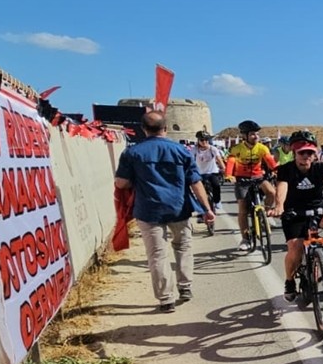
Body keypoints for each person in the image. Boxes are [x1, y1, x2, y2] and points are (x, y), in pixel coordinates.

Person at [114, 111, 214, 313]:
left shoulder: (132, 153)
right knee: (183, 247)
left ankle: (166, 299)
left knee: (157, 255)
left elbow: (121, 182)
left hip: (149, 210)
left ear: (143, 129)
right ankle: (185, 287)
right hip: (179, 207)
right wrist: (207, 209)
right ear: (165, 128)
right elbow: (195, 182)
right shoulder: (182, 151)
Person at [269, 131, 323, 299]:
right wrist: (279, 207)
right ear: (294, 153)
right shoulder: (286, 170)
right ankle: (289, 281)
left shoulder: (320, 167)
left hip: (317, 211)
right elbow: (282, 189)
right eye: (302, 152)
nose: (306, 156)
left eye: (310, 152)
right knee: (295, 249)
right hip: (294, 214)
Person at [224, 120, 279, 251]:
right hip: (242, 180)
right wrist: (229, 175)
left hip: (258, 178)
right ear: (245, 136)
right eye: (253, 134)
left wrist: (278, 170)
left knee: (272, 192)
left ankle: (264, 213)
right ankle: (245, 238)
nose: (256, 137)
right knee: (243, 209)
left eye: (257, 134)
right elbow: (231, 162)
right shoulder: (236, 149)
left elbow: (271, 162)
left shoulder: (262, 148)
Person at [193, 131, 226, 212]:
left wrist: (224, 169)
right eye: (202, 140)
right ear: (198, 141)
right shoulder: (195, 149)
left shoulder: (213, 149)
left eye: (206, 140)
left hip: (212, 172)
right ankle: (201, 212)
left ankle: (217, 201)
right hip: (200, 173)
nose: (204, 142)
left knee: (216, 185)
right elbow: (190, 160)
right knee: (199, 191)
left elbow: (219, 159)